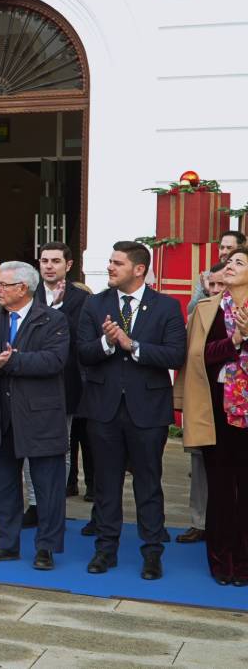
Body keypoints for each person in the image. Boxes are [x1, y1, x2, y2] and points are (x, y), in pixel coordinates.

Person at [78, 241, 186, 580]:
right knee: (106, 483)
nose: (109, 267)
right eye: (110, 261)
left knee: (149, 483)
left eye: (117, 263)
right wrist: (107, 342)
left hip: (148, 410)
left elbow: (174, 355)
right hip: (103, 409)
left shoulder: (166, 307)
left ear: (139, 269)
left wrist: (132, 345)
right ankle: (105, 550)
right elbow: (82, 352)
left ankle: (152, 552)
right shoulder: (95, 305)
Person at [0, 261, 70, 570]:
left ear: (22, 289)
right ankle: (5, 544)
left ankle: (46, 547)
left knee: (47, 486)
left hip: (40, 416)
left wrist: (12, 362)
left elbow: (54, 360)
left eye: (3, 286)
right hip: (1, 413)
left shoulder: (53, 319)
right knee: (4, 485)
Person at [174, 248, 248, 585]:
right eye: (229, 263)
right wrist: (236, 338)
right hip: (217, 409)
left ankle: (244, 563)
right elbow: (201, 356)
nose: (230, 267)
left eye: (239, 263)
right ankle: (221, 561)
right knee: (220, 488)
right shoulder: (209, 309)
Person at [27, 241, 92, 525]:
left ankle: (54, 503)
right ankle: (33, 504)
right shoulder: (26, 294)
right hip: (28, 382)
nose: (49, 266)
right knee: (28, 447)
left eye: (55, 261)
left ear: (68, 265)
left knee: (60, 446)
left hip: (65, 381)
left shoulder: (82, 299)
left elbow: (77, 339)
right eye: (44, 261)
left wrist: (56, 311)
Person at [178, 261, 225, 545]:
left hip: (236, 401)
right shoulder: (201, 313)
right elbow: (188, 357)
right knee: (201, 464)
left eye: (222, 285)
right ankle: (199, 521)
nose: (217, 291)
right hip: (205, 398)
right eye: (212, 285)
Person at [188, 230, 246, 315]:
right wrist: (206, 291)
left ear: (241, 250)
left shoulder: (244, 275)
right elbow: (191, 310)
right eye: (222, 248)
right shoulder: (207, 275)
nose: (224, 252)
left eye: (229, 248)